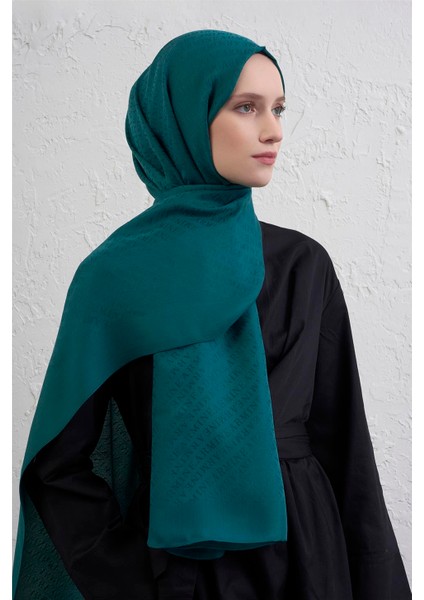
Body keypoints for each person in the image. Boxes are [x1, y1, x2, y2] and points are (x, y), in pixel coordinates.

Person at [13, 29, 411, 600]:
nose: (273, 130)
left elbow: (346, 448)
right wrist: (131, 580)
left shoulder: (303, 264)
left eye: (278, 109)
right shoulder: (115, 277)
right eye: (246, 107)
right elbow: (56, 467)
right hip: (178, 572)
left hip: (307, 560)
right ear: (182, 119)